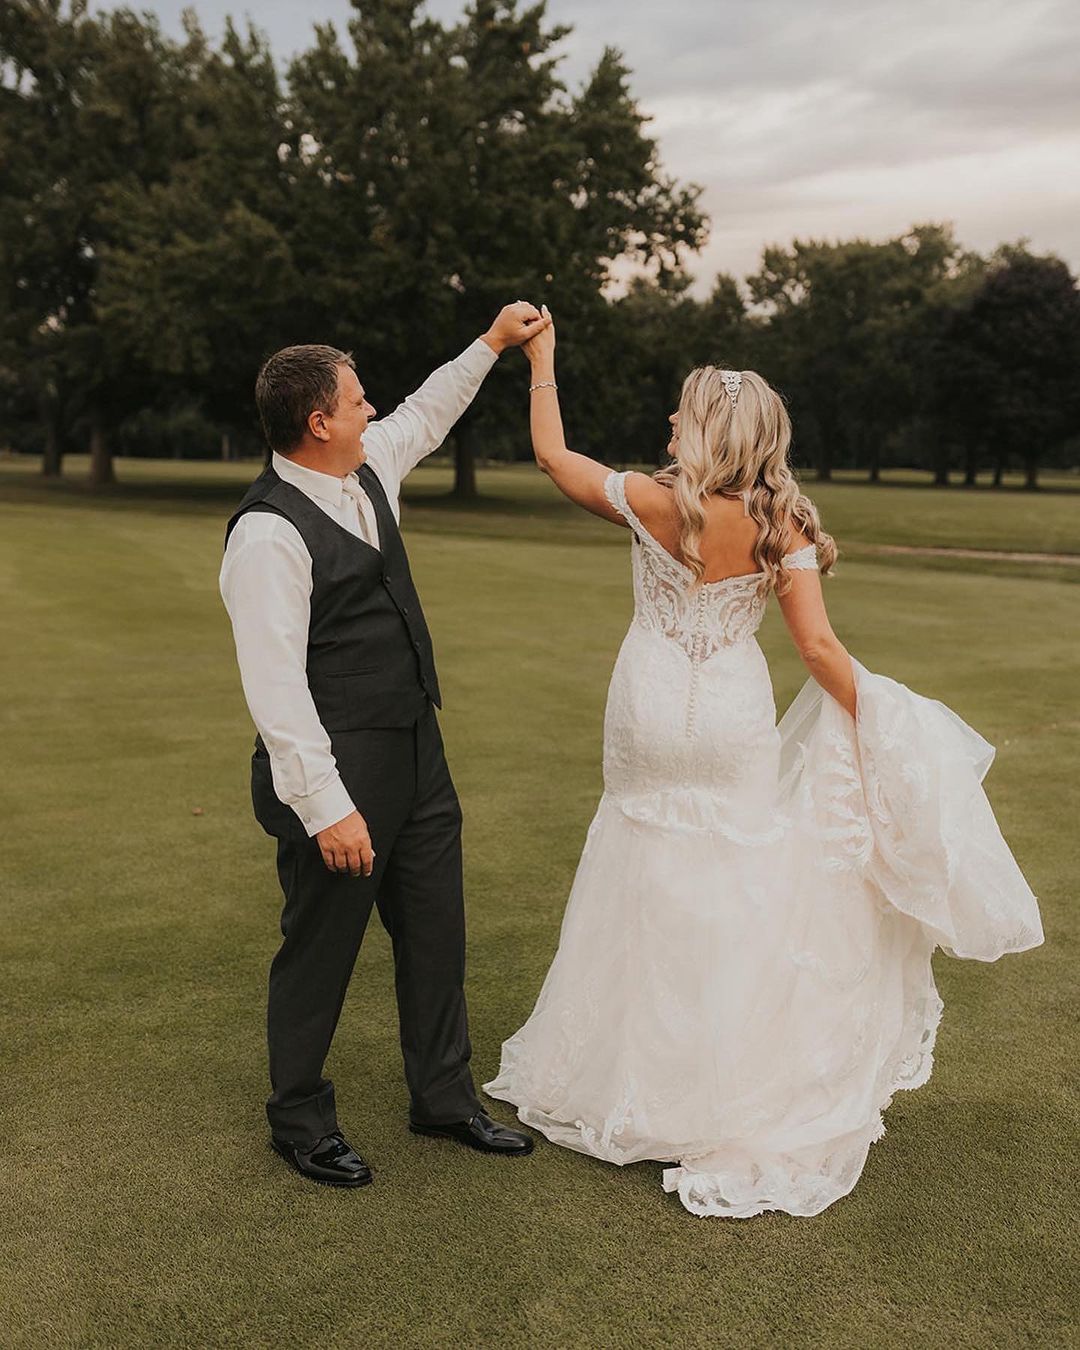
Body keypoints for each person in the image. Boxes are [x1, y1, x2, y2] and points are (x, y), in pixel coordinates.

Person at [484, 307, 1044, 1218]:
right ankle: (718, 1080)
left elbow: (552, 456)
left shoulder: (653, 502)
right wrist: (883, 721)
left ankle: (627, 1079)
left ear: (707, 429)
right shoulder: (783, 523)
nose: (671, 421)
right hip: (731, 717)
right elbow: (818, 650)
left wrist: (541, 357)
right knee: (729, 884)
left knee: (639, 863)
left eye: (682, 412)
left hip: (648, 706)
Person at [220, 303, 548, 1187]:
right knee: (320, 947)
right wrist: (327, 807)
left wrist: (492, 343)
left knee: (436, 931)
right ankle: (299, 1120)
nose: (373, 410)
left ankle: (443, 1098)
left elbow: (427, 411)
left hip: (416, 746)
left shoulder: (369, 469)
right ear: (317, 422)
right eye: (357, 401)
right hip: (338, 766)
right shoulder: (267, 534)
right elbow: (276, 690)